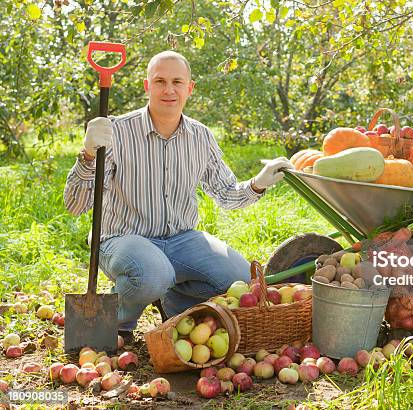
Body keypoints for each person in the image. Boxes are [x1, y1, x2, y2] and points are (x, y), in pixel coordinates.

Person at [64, 51, 292, 341]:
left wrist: (258, 184)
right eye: (159, 81)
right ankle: (116, 322)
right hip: (123, 239)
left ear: (189, 88)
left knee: (237, 278)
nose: (168, 89)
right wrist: (86, 154)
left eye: (176, 81)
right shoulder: (116, 132)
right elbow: (75, 206)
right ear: (147, 86)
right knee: (152, 273)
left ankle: (175, 305)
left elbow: (224, 193)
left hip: (181, 240)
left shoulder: (201, 136)